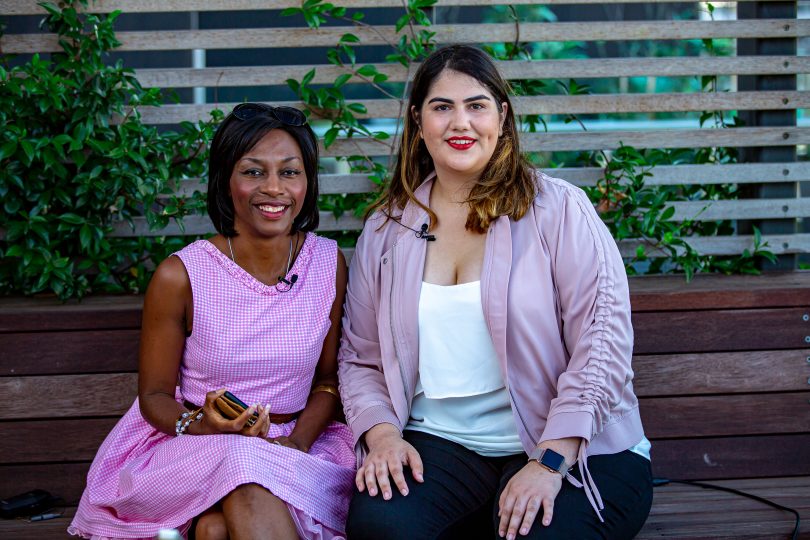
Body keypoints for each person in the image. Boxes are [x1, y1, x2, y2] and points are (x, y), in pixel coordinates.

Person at [337, 45, 653, 540]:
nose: (459, 123)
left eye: (476, 105)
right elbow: (361, 357)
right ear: (419, 122)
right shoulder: (387, 229)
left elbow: (603, 345)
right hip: (443, 444)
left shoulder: (560, 210)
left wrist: (549, 463)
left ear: (502, 117)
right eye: (442, 107)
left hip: (574, 446)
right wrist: (382, 437)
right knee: (381, 526)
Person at [69, 103, 355, 540]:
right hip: (194, 445)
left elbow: (329, 381)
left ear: (308, 182)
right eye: (254, 172)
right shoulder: (181, 275)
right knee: (241, 460)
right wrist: (204, 425)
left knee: (216, 531)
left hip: (302, 444)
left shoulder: (326, 263)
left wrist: (293, 445)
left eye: (290, 172)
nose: (274, 189)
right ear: (226, 180)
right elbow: (154, 395)